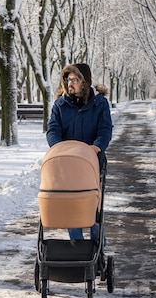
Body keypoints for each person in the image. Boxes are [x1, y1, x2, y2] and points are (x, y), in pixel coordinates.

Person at [46, 63, 113, 242]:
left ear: (85, 82)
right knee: (71, 202)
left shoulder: (99, 104)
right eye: (68, 80)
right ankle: (76, 244)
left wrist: (96, 147)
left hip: (92, 161)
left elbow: (105, 129)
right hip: (68, 162)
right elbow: (53, 129)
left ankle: (97, 243)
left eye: (75, 80)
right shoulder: (60, 105)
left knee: (92, 203)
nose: (70, 84)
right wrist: (58, 148)